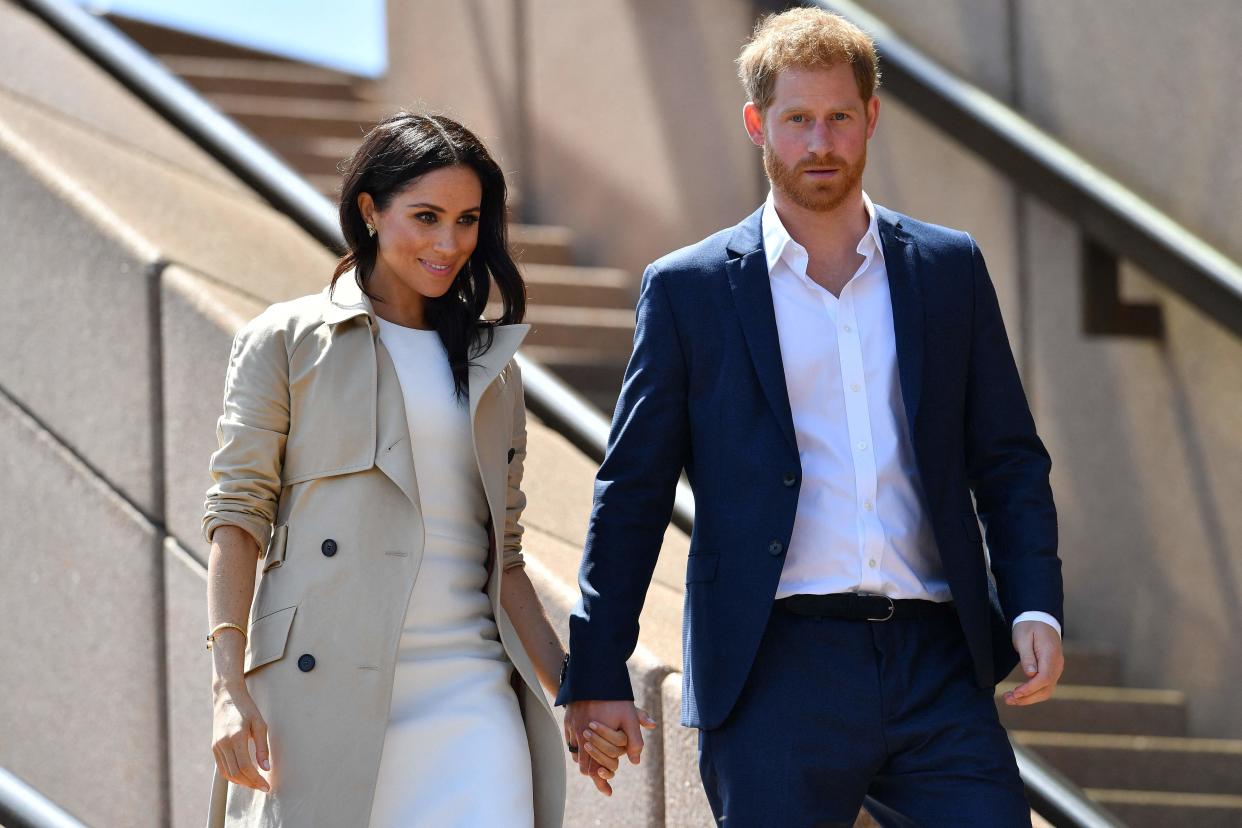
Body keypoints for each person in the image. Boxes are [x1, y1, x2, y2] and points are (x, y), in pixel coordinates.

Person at [557, 8, 1065, 827]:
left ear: (871, 117)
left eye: (837, 117)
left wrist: (1034, 603)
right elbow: (635, 489)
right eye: (797, 120)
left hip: (937, 659)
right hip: (772, 666)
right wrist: (597, 666)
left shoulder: (947, 270)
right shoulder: (689, 291)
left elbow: (1006, 456)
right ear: (760, 124)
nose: (820, 142)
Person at [202, 112, 632, 828]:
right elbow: (236, 516)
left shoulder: (492, 367)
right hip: (321, 691)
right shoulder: (285, 340)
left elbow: (508, 561)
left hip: (471, 695)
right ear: (369, 211)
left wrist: (573, 693)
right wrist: (226, 686)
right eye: (425, 216)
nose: (448, 243)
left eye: (467, 221)